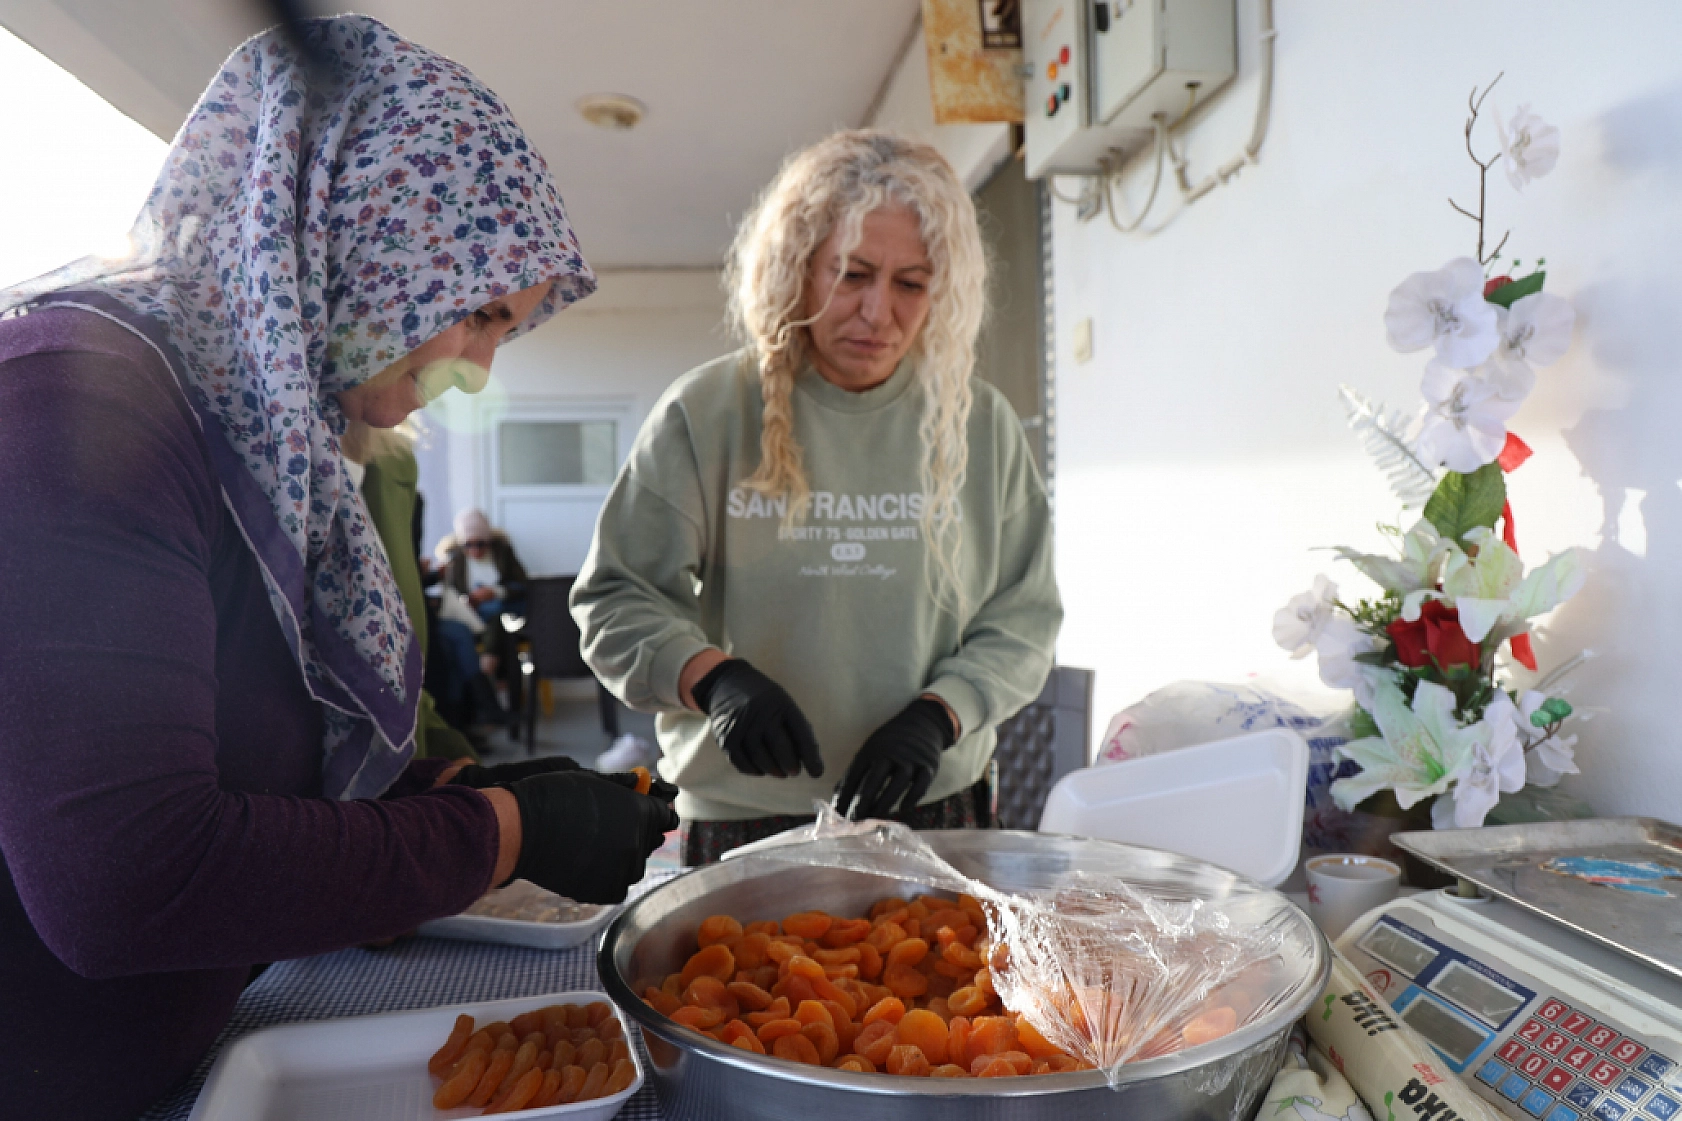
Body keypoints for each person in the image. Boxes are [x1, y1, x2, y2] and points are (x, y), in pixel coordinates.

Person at [0, 19, 677, 1120]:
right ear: (369, 231)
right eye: (480, 315)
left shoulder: (271, 443)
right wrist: (503, 832)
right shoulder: (74, 407)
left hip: (183, 1057)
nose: (477, 372)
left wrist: (465, 791)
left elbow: (256, 758)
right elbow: (123, 880)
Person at [572, 130, 1063, 865]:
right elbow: (615, 598)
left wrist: (941, 713)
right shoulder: (706, 412)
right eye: (852, 274)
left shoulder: (979, 423)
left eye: (911, 283)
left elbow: (1024, 618)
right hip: (747, 814)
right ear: (798, 268)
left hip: (930, 806)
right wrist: (714, 679)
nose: (877, 312)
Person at [437, 507, 530, 727]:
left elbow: (522, 585)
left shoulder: (502, 552)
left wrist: (494, 592)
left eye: (481, 544)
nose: (475, 550)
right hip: (470, 615)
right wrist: (469, 600)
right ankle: (491, 697)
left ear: (488, 540)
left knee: (497, 614)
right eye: (469, 544)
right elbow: (450, 594)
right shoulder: (455, 559)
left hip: (501, 610)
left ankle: (488, 666)